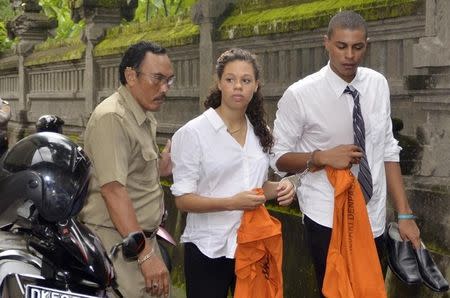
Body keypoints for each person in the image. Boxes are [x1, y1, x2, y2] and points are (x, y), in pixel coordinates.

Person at [271, 11, 421, 297]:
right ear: (326, 43)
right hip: (326, 217)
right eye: (341, 46)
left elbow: (388, 149)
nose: (349, 55)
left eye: (357, 47)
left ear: (367, 44)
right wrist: (320, 157)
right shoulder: (300, 95)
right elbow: (277, 158)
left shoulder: (377, 84)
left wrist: (404, 214)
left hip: (373, 216)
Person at [170, 48, 296, 298]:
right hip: (208, 248)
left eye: (246, 80)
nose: (238, 86)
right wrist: (231, 203)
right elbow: (183, 199)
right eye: (230, 79)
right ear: (219, 83)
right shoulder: (193, 133)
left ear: (256, 86)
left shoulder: (262, 133)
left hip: (252, 245)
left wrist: (284, 188)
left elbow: (258, 187)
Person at [79, 41, 174, 298]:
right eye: (157, 79)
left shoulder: (141, 115)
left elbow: (133, 171)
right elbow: (113, 190)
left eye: (169, 80)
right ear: (131, 75)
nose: (164, 88)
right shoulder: (113, 117)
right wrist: (145, 256)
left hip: (140, 241)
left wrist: (161, 166)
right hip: (121, 246)